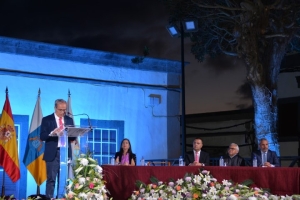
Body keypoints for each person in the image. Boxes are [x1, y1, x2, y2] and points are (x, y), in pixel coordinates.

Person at [40, 99, 76, 199]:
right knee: (51, 179)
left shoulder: (69, 120)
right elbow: (42, 136)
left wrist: (75, 133)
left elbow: (72, 137)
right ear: (55, 108)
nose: (63, 112)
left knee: (64, 179)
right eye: (60, 110)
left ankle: (63, 198)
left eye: (64, 110)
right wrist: (52, 133)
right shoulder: (47, 119)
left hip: (65, 153)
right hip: (53, 153)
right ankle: (49, 198)